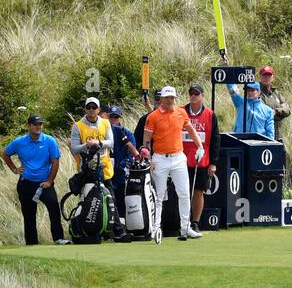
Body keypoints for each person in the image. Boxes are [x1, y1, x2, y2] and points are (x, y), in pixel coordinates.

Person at [140, 85, 204, 240]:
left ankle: (185, 228)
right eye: (166, 98)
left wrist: (200, 147)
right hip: (160, 159)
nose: (169, 101)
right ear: (161, 99)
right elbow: (146, 141)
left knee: (184, 194)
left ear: (175, 99)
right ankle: (156, 228)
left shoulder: (181, 113)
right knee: (159, 196)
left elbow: (190, 130)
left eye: (172, 98)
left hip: (178, 157)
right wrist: (149, 159)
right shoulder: (153, 116)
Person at [2, 113, 69, 245]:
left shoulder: (49, 141)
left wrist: (49, 181)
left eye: (40, 124)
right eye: (35, 124)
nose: (38, 127)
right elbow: (5, 153)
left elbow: (55, 162)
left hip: (45, 183)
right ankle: (32, 243)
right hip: (26, 183)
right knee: (29, 215)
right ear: (29, 126)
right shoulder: (20, 142)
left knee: (54, 209)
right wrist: (14, 169)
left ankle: (58, 238)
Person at [70, 97, 125, 237]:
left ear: (99, 110)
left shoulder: (105, 123)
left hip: (105, 169)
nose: (91, 110)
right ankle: (88, 231)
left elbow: (111, 143)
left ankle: (117, 231)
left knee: (110, 199)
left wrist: (98, 143)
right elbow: (75, 149)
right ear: (85, 109)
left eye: (94, 107)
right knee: (88, 201)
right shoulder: (78, 126)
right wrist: (87, 145)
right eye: (88, 107)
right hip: (87, 170)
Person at [183, 84, 220, 228]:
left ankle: (195, 222)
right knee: (183, 193)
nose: (193, 96)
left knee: (198, 192)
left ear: (202, 96)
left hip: (201, 161)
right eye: (191, 93)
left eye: (196, 94)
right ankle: (182, 222)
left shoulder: (210, 115)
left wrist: (213, 162)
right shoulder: (180, 111)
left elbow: (215, 140)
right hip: (181, 159)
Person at [106, 106, 140, 236]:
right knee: (109, 201)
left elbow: (132, 154)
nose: (113, 119)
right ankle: (110, 229)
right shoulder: (105, 132)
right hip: (108, 172)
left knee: (120, 201)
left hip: (120, 174)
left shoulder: (127, 133)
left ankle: (123, 228)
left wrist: (122, 165)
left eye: (116, 117)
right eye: (111, 116)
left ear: (120, 118)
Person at [257, 65, 291, 137]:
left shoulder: (276, 92)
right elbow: (264, 114)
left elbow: (288, 110)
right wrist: (281, 113)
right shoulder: (256, 92)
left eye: (269, 75)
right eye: (264, 75)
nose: (266, 78)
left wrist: (276, 112)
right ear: (260, 77)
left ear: (273, 77)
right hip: (265, 135)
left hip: (278, 135)